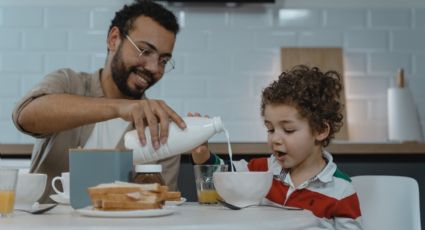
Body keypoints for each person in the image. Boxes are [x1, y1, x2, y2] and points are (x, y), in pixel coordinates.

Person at [12, 0, 186, 203]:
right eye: (144, 51)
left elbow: (163, 206)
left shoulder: (160, 126)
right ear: (114, 39)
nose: (154, 68)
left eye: (163, 60)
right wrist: (119, 107)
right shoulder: (69, 83)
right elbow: (25, 116)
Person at [191, 65, 363, 229]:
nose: (275, 139)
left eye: (288, 130)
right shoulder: (264, 169)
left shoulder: (341, 190)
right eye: (270, 129)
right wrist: (202, 153)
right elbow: (223, 173)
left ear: (320, 130)